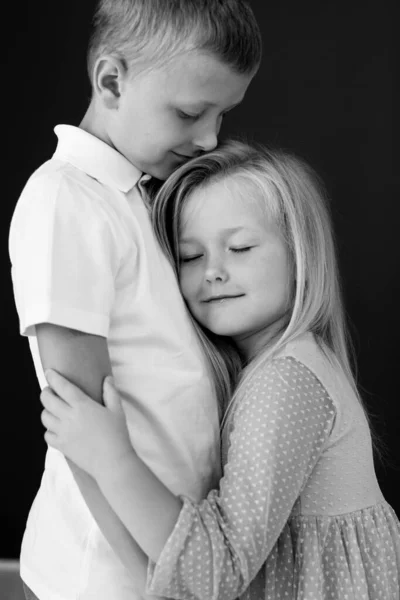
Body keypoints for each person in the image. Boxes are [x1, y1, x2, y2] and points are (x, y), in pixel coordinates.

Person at [40, 140, 400, 600]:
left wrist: (112, 456)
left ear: (301, 253)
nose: (212, 272)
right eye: (191, 256)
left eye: (240, 247)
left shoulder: (287, 380)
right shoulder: (279, 366)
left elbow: (219, 572)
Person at [8, 1, 261, 598]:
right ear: (112, 81)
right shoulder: (66, 200)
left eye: (222, 114)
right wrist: (153, 578)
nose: (209, 138)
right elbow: (79, 423)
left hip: (172, 544)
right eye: (191, 112)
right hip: (113, 570)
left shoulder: (143, 196)